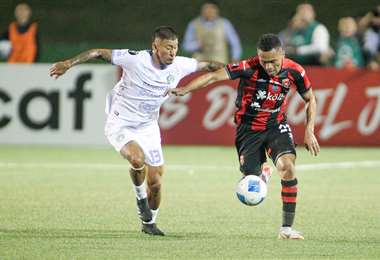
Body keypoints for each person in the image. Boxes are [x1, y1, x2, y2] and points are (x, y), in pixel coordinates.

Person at [49, 26, 223, 236]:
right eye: (168, 47)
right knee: (137, 159)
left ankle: (149, 223)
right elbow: (97, 52)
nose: (172, 52)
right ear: (155, 46)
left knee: (156, 183)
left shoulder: (181, 64)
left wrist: (239, 70)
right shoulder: (135, 59)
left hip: (148, 127)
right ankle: (141, 200)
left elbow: (212, 65)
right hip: (120, 123)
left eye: (175, 47)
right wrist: (68, 64)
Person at [170, 33, 320, 240]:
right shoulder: (248, 67)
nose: (268, 67)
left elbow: (310, 99)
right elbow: (214, 76)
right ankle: (262, 174)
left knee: (287, 167)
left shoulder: (295, 71)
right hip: (248, 130)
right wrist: (186, 88)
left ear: (282, 54)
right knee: (251, 185)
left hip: (276, 125)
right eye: (263, 61)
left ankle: (286, 229)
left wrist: (310, 130)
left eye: (273, 62)